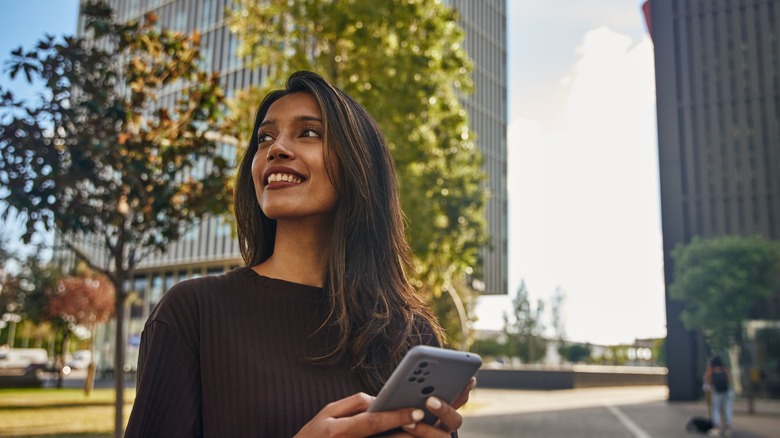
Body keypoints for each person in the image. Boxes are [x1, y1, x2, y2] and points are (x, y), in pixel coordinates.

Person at [124, 71, 475, 437]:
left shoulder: (411, 335)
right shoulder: (192, 313)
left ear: (359, 166)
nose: (275, 148)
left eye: (308, 132)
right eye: (265, 137)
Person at [703, 355, 733, 436]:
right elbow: (730, 380)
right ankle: (727, 428)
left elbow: (707, 379)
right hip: (727, 392)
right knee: (727, 409)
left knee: (715, 409)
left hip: (716, 392)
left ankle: (716, 428)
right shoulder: (725, 369)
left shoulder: (711, 370)